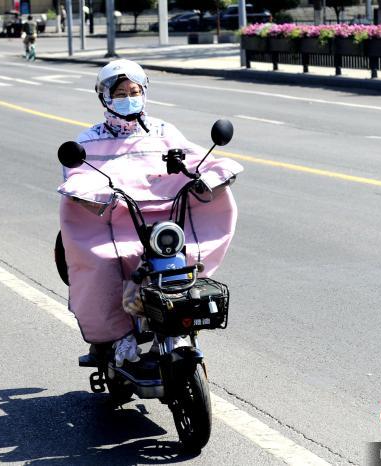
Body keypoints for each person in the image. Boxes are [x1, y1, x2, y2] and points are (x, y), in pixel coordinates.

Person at [57, 60, 242, 367]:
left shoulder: (163, 131)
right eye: (120, 93)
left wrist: (214, 174)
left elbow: (194, 162)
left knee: (187, 257)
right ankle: (117, 337)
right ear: (104, 96)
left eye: (134, 90)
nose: (129, 97)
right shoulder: (88, 140)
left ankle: (175, 323)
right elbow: (76, 177)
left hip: (164, 224)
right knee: (102, 264)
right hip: (114, 225)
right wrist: (96, 194)